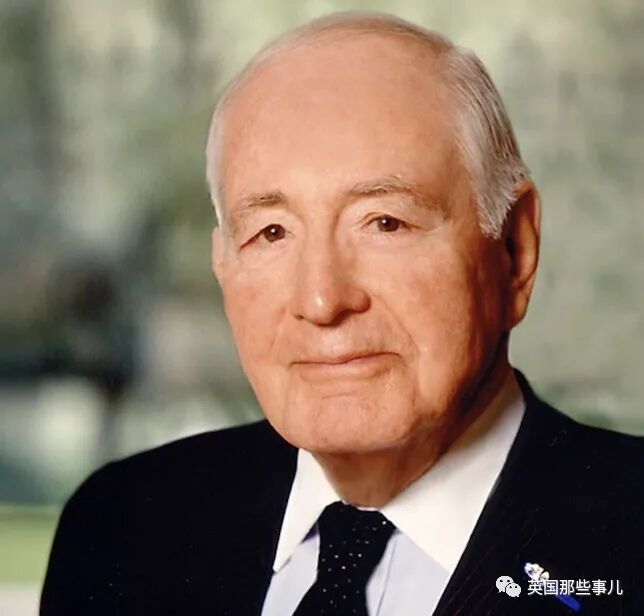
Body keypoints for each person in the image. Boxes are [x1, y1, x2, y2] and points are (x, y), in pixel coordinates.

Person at [41, 12, 643, 616]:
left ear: (515, 250)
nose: (322, 301)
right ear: (222, 264)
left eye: (385, 222)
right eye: (272, 232)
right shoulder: (118, 528)